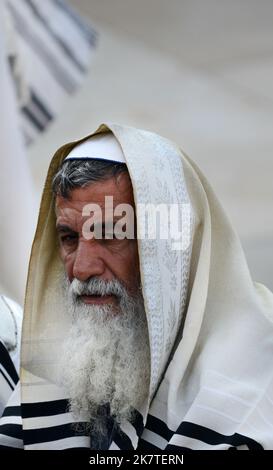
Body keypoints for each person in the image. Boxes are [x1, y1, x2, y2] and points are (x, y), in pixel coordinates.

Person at [0, 123, 273, 450]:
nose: (83, 268)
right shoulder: (77, 353)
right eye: (70, 238)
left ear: (171, 250)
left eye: (110, 235)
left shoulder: (250, 391)